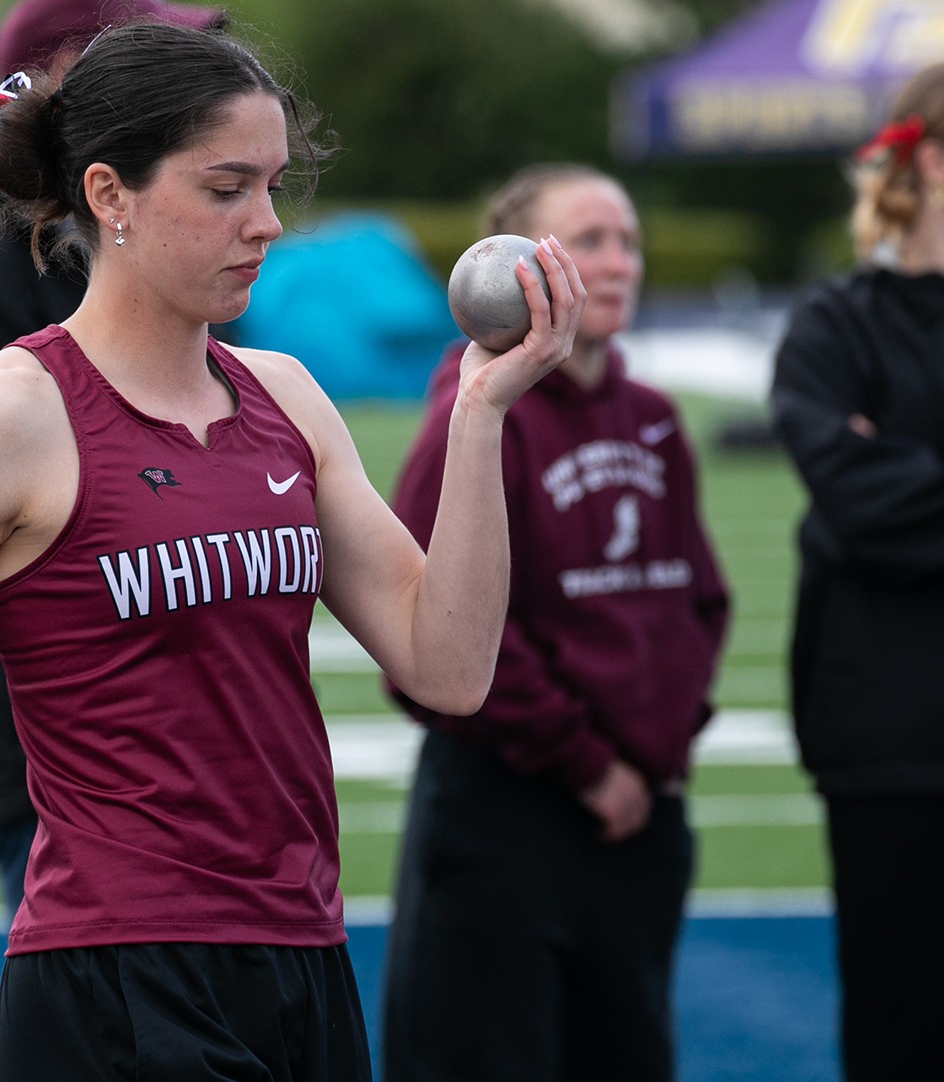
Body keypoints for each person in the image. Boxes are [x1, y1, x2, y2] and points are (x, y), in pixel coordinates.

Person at [0, 21, 586, 1082]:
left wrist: (478, 416)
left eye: (275, 186)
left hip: (302, 957)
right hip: (114, 978)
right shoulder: (8, 418)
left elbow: (451, 665)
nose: (268, 223)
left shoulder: (286, 397)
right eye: (227, 187)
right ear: (110, 195)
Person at [378, 164, 730, 1082]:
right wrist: (587, 764)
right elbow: (440, 634)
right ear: (514, 265)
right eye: (589, 242)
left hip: (639, 819)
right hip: (507, 820)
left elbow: (700, 598)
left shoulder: (653, 417)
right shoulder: (475, 419)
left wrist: (660, 746)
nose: (617, 264)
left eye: (630, 242)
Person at [0, 0, 223, 917]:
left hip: (197, 753)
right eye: (159, 59)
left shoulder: (145, 234)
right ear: (67, 85)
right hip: (73, 772)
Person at [767, 61, 944, 1082]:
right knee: (897, 1045)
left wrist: (919, 489)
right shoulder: (836, 326)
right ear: (937, 160)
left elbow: (891, 510)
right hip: (894, 750)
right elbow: (861, 510)